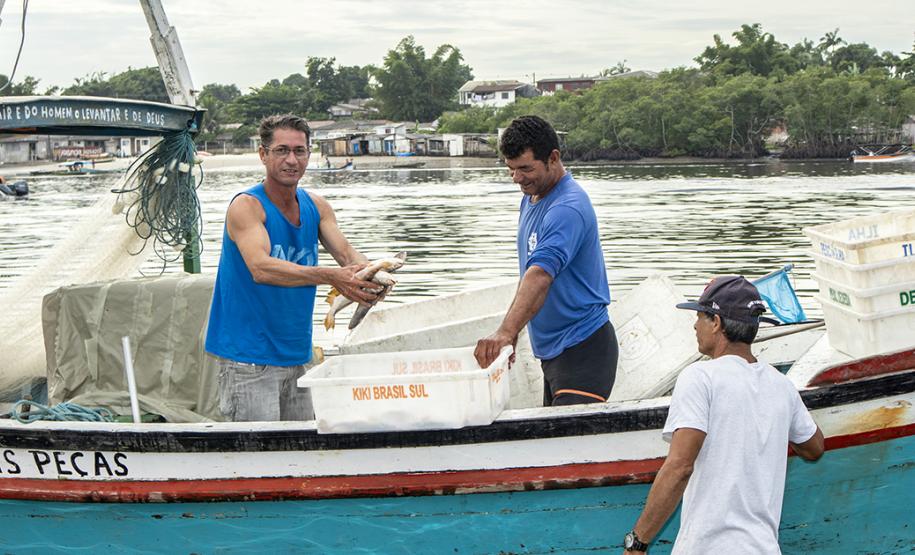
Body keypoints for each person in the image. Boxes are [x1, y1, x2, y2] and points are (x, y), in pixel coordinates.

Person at [621, 276, 825, 554]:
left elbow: (680, 466)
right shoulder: (781, 386)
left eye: (699, 316)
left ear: (716, 323)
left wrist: (638, 541)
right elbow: (814, 448)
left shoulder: (700, 378)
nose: (694, 325)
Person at [205, 113, 380, 422]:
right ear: (263, 154)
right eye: (281, 151)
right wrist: (329, 276)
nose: (291, 159)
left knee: (300, 456)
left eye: (299, 151)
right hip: (249, 361)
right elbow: (261, 268)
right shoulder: (246, 206)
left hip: (298, 356)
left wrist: (375, 274)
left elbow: (347, 255)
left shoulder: (317, 206)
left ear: (309, 154)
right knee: (258, 461)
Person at [474, 115, 618, 406]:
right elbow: (528, 273)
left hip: (584, 349)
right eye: (511, 170)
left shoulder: (567, 208)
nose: (517, 178)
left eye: (526, 168)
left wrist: (505, 331)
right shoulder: (532, 196)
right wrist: (513, 332)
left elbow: (540, 276)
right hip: (552, 353)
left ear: (553, 158)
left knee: (570, 449)